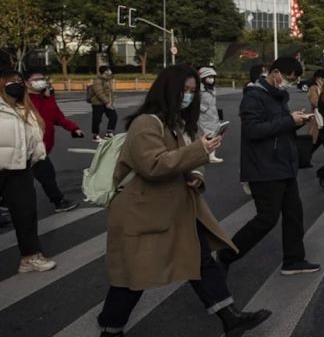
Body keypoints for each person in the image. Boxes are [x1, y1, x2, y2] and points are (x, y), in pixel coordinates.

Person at [97, 65, 270, 336]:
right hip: (144, 214)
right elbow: (153, 165)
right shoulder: (146, 123)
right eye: (184, 90)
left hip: (176, 209)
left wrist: (197, 175)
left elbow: (188, 160)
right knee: (134, 276)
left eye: (192, 91)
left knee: (200, 261)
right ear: (168, 90)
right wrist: (200, 150)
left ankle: (230, 318)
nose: (188, 96)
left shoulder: (175, 123)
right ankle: (110, 328)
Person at [218, 57, 320, 276]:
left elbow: (278, 127)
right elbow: (254, 131)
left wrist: (297, 121)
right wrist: (289, 121)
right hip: (264, 167)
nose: (289, 83)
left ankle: (293, 260)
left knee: (294, 215)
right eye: (289, 79)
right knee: (266, 219)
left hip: (283, 165)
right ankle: (226, 256)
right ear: (275, 73)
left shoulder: (276, 96)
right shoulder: (253, 97)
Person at [0, 69, 55, 273]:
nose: (16, 84)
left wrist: (36, 156)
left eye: (18, 81)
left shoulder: (25, 108)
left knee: (26, 214)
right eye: (10, 81)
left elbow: (34, 138)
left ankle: (30, 256)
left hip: (20, 169)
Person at [26, 70, 81, 212]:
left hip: (43, 147)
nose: (41, 81)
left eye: (42, 78)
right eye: (36, 79)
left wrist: (74, 128)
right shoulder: (22, 100)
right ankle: (58, 201)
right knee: (45, 175)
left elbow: (58, 117)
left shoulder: (47, 99)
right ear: (27, 82)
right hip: (29, 146)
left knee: (43, 175)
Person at [197, 67, 224, 164]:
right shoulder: (199, 89)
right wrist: (203, 108)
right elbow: (195, 102)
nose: (211, 79)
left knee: (215, 134)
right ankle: (208, 156)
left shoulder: (212, 89)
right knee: (207, 135)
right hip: (203, 117)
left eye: (212, 77)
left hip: (213, 116)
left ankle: (211, 155)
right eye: (209, 77)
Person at [90, 64, 117, 142]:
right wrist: (107, 102)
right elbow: (99, 93)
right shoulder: (97, 81)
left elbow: (110, 92)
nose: (110, 71)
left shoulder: (107, 80)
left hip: (107, 103)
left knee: (113, 116)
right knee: (97, 119)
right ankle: (95, 135)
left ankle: (109, 132)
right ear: (105, 71)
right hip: (97, 103)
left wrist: (111, 102)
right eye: (108, 70)